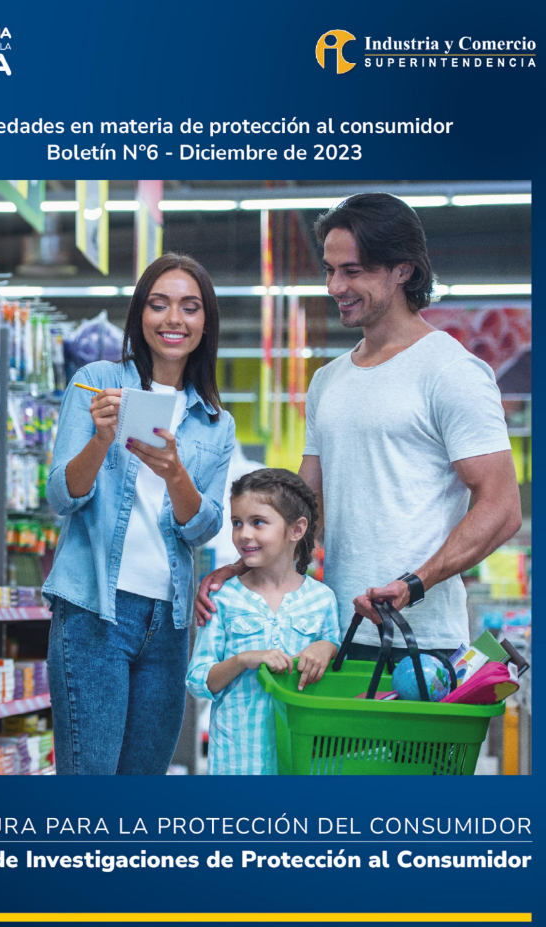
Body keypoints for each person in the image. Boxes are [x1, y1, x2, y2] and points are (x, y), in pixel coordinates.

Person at [196, 193, 521, 661]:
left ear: (403, 269)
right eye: (330, 270)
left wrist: (415, 583)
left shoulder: (451, 371)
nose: (334, 286)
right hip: (334, 637)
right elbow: (302, 511)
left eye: (352, 271)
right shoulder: (328, 381)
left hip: (420, 644)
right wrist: (244, 568)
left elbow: (503, 507)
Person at [44, 253, 235, 775]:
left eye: (190, 308)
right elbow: (62, 495)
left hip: (169, 624)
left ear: (205, 322)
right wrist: (102, 439)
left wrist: (176, 473)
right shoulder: (97, 381)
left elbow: (204, 526)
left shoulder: (216, 422)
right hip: (93, 613)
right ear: (140, 314)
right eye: (159, 304)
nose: (174, 319)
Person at [186, 469, 339, 774]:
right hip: (237, 761)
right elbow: (198, 680)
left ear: (296, 530)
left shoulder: (322, 600)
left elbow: (334, 661)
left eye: (258, 522)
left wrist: (327, 647)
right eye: (237, 523)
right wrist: (244, 660)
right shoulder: (224, 599)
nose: (244, 534)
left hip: (302, 760)